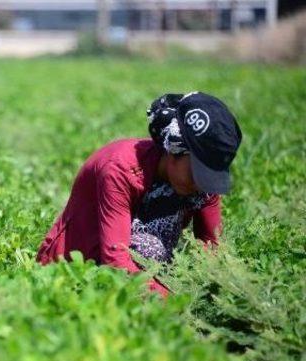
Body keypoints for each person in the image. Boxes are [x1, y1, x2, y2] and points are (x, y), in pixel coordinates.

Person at [36, 92, 242, 297]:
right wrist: (178, 303)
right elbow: (116, 262)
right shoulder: (119, 169)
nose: (202, 185)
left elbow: (211, 249)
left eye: (210, 177)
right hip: (72, 278)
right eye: (197, 174)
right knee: (147, 246)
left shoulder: (201, 185)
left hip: (144, 283)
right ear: (174, 150)